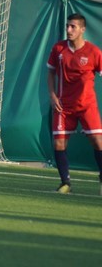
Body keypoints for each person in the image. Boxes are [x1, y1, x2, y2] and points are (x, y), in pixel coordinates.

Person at [47, 13, 102, 195]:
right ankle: (66, 183)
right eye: (68, 26)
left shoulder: (94, 52)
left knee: (98, 142)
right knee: (59, 144)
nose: (69, 30)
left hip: (87, 105)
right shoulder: (58, 49)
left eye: (73, 27)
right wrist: (52, 95)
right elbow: (50, 73)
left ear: (82, 30)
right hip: (63, 106)